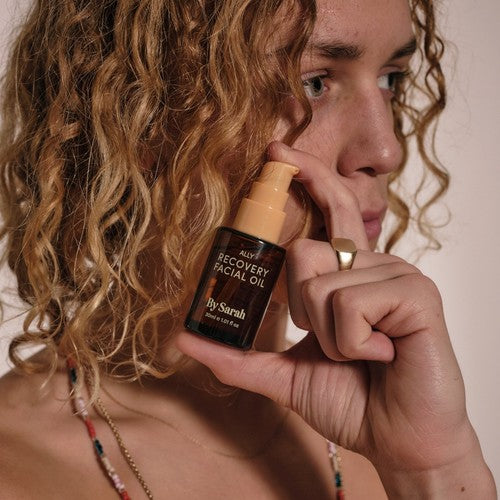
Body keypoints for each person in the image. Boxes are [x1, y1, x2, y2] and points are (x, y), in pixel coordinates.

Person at [0, 0, 496, 498]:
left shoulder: (387, 430)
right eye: (314, 83)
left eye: (390, 78)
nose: (386, 150)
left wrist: (433, 467)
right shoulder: (19, 468)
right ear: (138, 113)